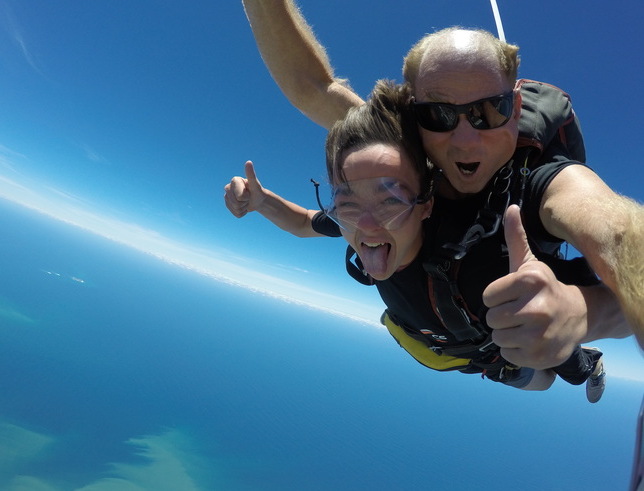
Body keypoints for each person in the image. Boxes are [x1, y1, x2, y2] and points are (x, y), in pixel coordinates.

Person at [240, 0, 643, 361]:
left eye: (490, 110)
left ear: (516, 108)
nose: (466, 141)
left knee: (535, 370)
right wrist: (260, 202)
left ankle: (578, 361)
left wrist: (583, 314)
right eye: (438, 114)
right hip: (430, 334)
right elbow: (314, 88)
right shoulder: (398, 168)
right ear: (415, 117)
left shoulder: (543, 185)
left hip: (488, 347)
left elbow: (620, 233)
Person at [225, 80, 607, 396]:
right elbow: (305, 221)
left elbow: (613, 284)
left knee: (546, 375)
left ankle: (588, 365)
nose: (367, 225)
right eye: (347, 203)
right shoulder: (353, 223)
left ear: (426, 205)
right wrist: (262, 202)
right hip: (446, 346)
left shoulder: (486, 270)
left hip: (492, 350)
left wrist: (575, 310)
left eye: (390, 200)